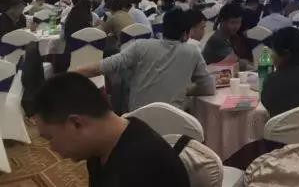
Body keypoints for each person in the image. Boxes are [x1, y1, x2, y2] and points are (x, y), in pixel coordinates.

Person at [33, 73, 189, 187]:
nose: (52, 148)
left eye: (50, 138)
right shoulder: (100, 147)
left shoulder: (142, 170)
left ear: (76, 123)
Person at [75, 9, 214, 111]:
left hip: (138, 122)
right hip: (174, 124)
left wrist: (72, 74)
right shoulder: (193, 52)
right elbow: (208, 87)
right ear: (185, 34)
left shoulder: (141, 46)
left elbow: (105, 66)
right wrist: (186, 90)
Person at [202, 3, 251, 68]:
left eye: (239, 22)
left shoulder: (231, 36)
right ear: (222, 21)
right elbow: (238, 63)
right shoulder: (218, 40)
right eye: (233, 22)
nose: (236, 26)